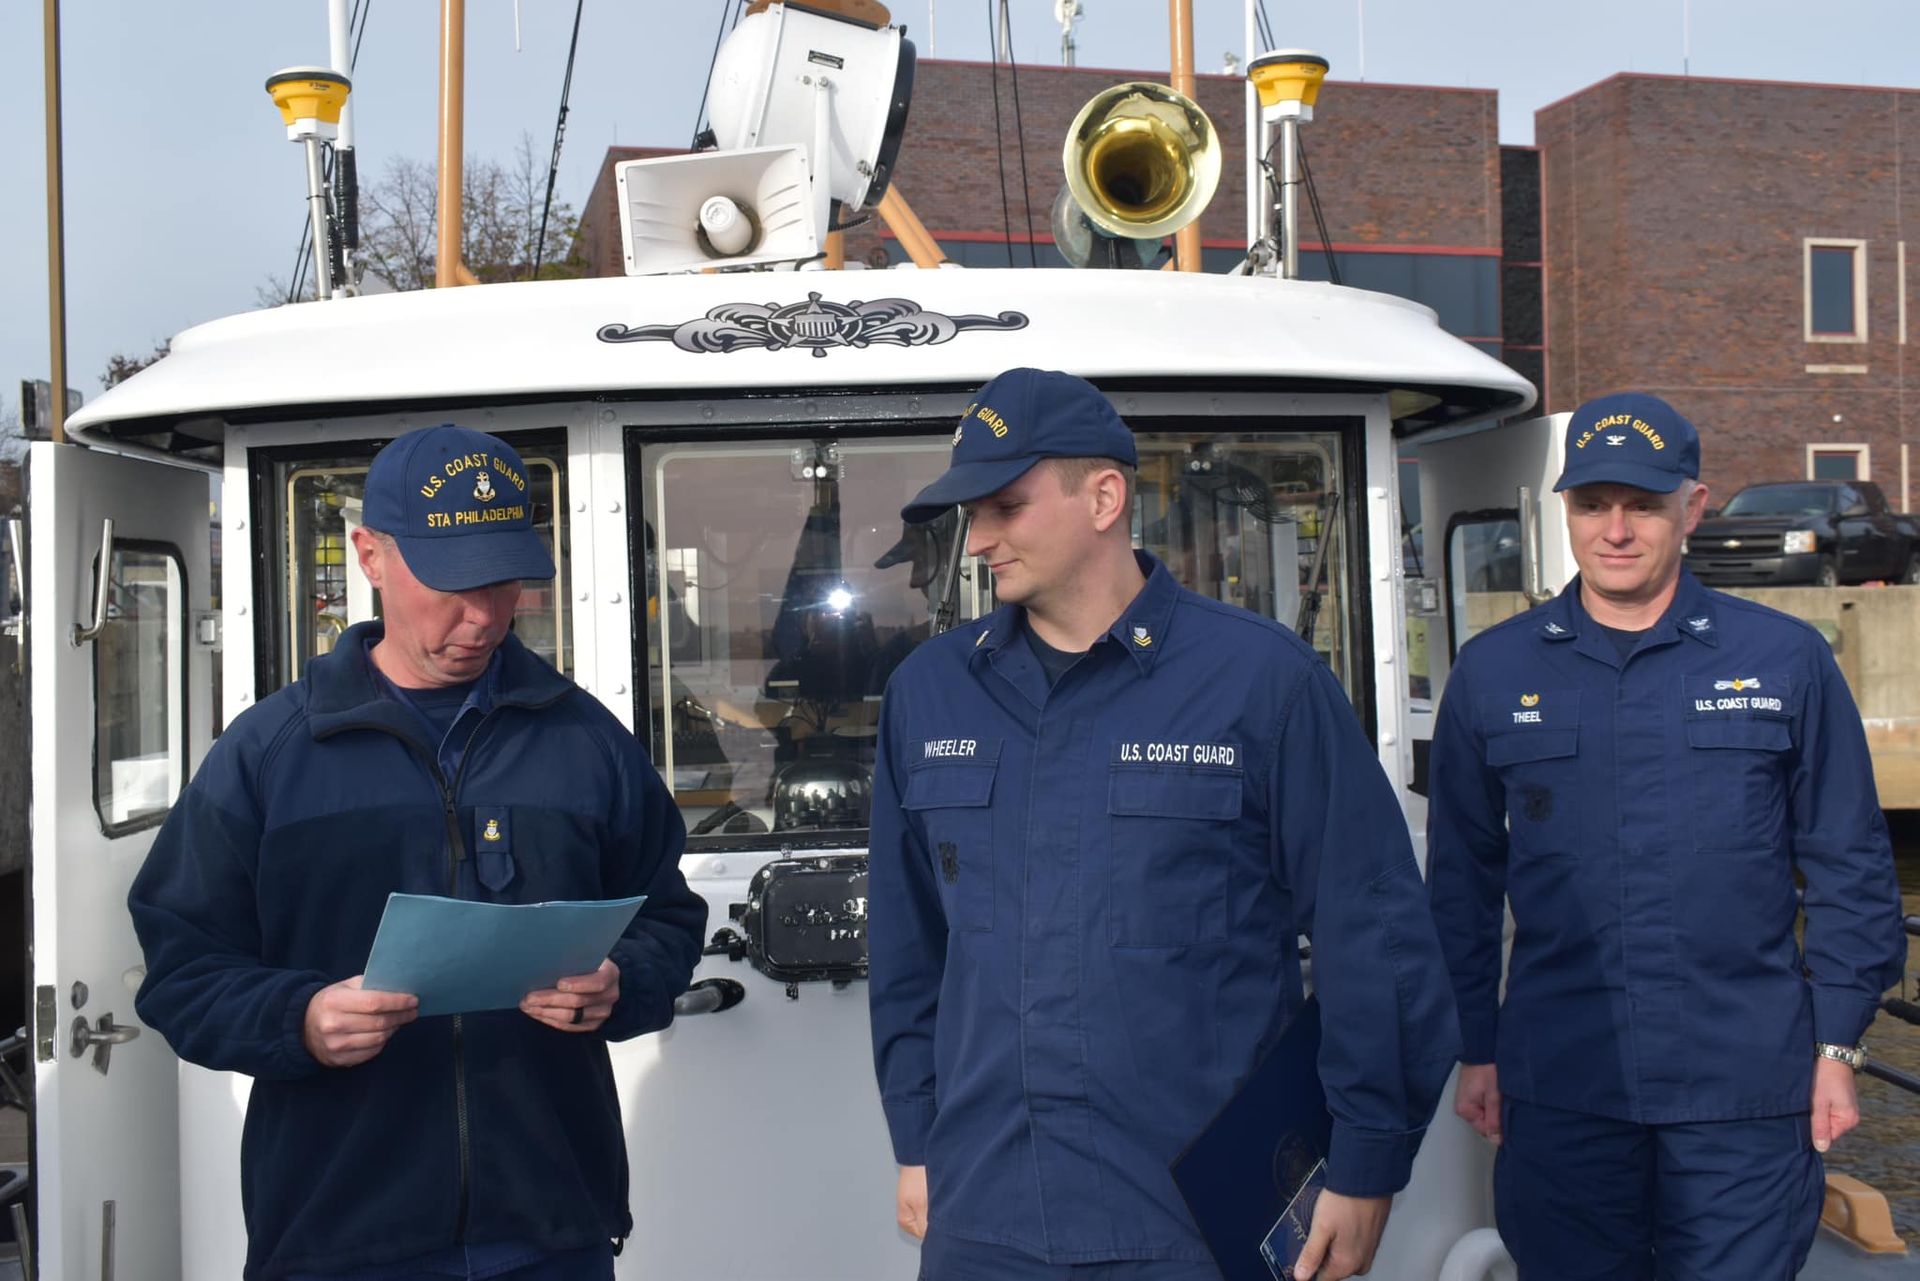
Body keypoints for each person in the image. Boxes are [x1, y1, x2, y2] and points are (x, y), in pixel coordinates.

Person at [866, 368, 1460, 1281]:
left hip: (1195, 1218)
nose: (978, 538)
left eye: (1006, 506)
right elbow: (911, 952)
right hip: (987, 1215)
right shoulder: (931, 694)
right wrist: (916, 1135)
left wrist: (1366, 1159)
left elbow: (1372, 932)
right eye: (971, 512)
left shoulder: (1260, 683)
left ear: (1104, 496)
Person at [129, 424, 708, 1281]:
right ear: (369, 554)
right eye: (451, 583)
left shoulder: (587, 742)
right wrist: (301, 1019)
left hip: (552, 1230)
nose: (483, 617)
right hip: (340, 1236)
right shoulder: (268, 754)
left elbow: (666, 915)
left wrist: (621, 984)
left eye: (506, 582)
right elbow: (181, 972)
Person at [1426, 393, 1908, 1279]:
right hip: (1563, 1085)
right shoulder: (1496, 672)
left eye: (1642, 503)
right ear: (1562, 509)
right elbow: (1459, 882)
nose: (1616, 529)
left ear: (1692, 507)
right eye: (1592, 502)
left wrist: (1837, 1045)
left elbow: (1850, 865)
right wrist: (1476, 1047)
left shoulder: (1783, 661)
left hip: (1744, 1097)